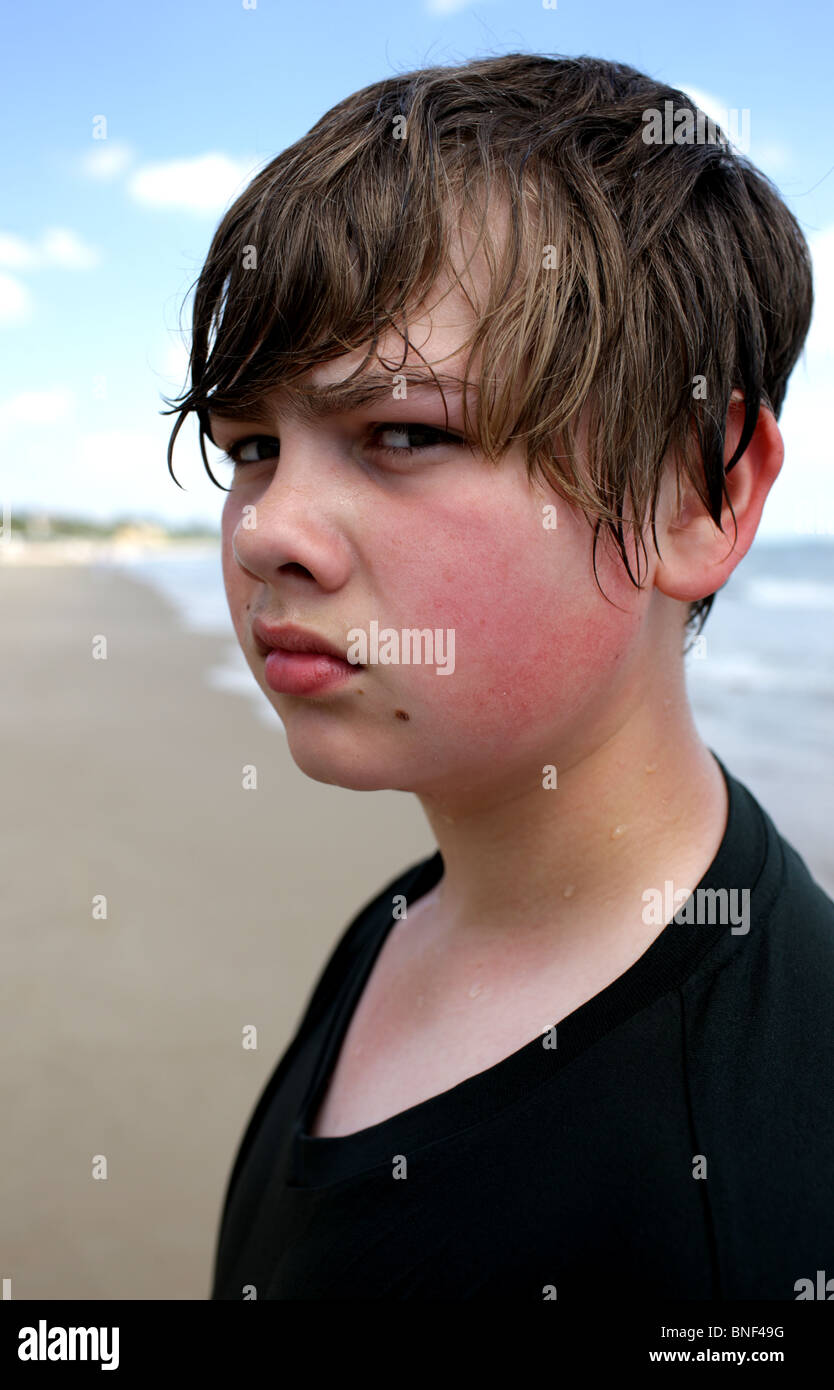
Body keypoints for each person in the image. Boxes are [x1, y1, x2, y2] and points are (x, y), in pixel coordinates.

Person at [164, 53, 834, 1300]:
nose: (265, 530)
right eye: (251, 446)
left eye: (404, 433)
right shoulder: (416, 911)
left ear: (703, 493)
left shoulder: (742, 1217)